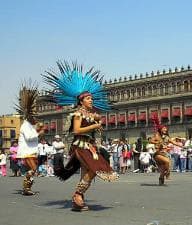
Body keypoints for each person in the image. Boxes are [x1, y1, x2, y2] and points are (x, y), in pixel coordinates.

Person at [43, 61, 118, 211]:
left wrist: (98, 127)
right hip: (80, 146)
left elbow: (94, 130)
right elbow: (76, 131)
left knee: (88, 172)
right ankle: (77, 194)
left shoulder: (91, 115)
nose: (92, 100)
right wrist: (94, 125)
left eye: (92, 98)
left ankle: (78, 201)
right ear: (81, 101)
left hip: (89, 146)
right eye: (89, 99)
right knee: (94, 169)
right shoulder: (77, 114)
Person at [15, 84, 45, 195]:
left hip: (32, 150)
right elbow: (29, 137)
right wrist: (39, 132)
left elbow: (35, 137)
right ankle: (26, 187)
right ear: (29, 116)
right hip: (27, 151)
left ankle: (27, 188)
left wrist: (39, 130)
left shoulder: (31, 126)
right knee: (33, 169)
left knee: (32, 169)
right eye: (34, 116)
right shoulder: (25, 125)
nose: (36, 118)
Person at [150, 115, 181, 185]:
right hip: (157, 154)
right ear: (160, 129)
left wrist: (181, 145)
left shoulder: (166, 137)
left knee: (163, 169)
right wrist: (157, 142)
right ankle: (168, 173)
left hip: (164, 154)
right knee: (167, 162)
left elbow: (173, 142)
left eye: (165, 129)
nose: (165, 130)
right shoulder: (157, 135)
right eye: (164, 129)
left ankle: (161, 179)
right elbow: (151, 141)